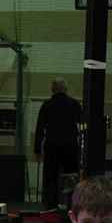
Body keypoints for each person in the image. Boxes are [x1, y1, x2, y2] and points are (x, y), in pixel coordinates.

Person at [34, 78, 82, 210]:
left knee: (50, 177)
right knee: (71, 176)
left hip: (52, 146)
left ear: (52, 89)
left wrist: (37, 149)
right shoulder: (74, 104)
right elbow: (83, 125)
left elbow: (40, 128)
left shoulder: (47, 105)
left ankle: (50, 206)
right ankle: (71, 204)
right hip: (70, 146)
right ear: (65, 89)